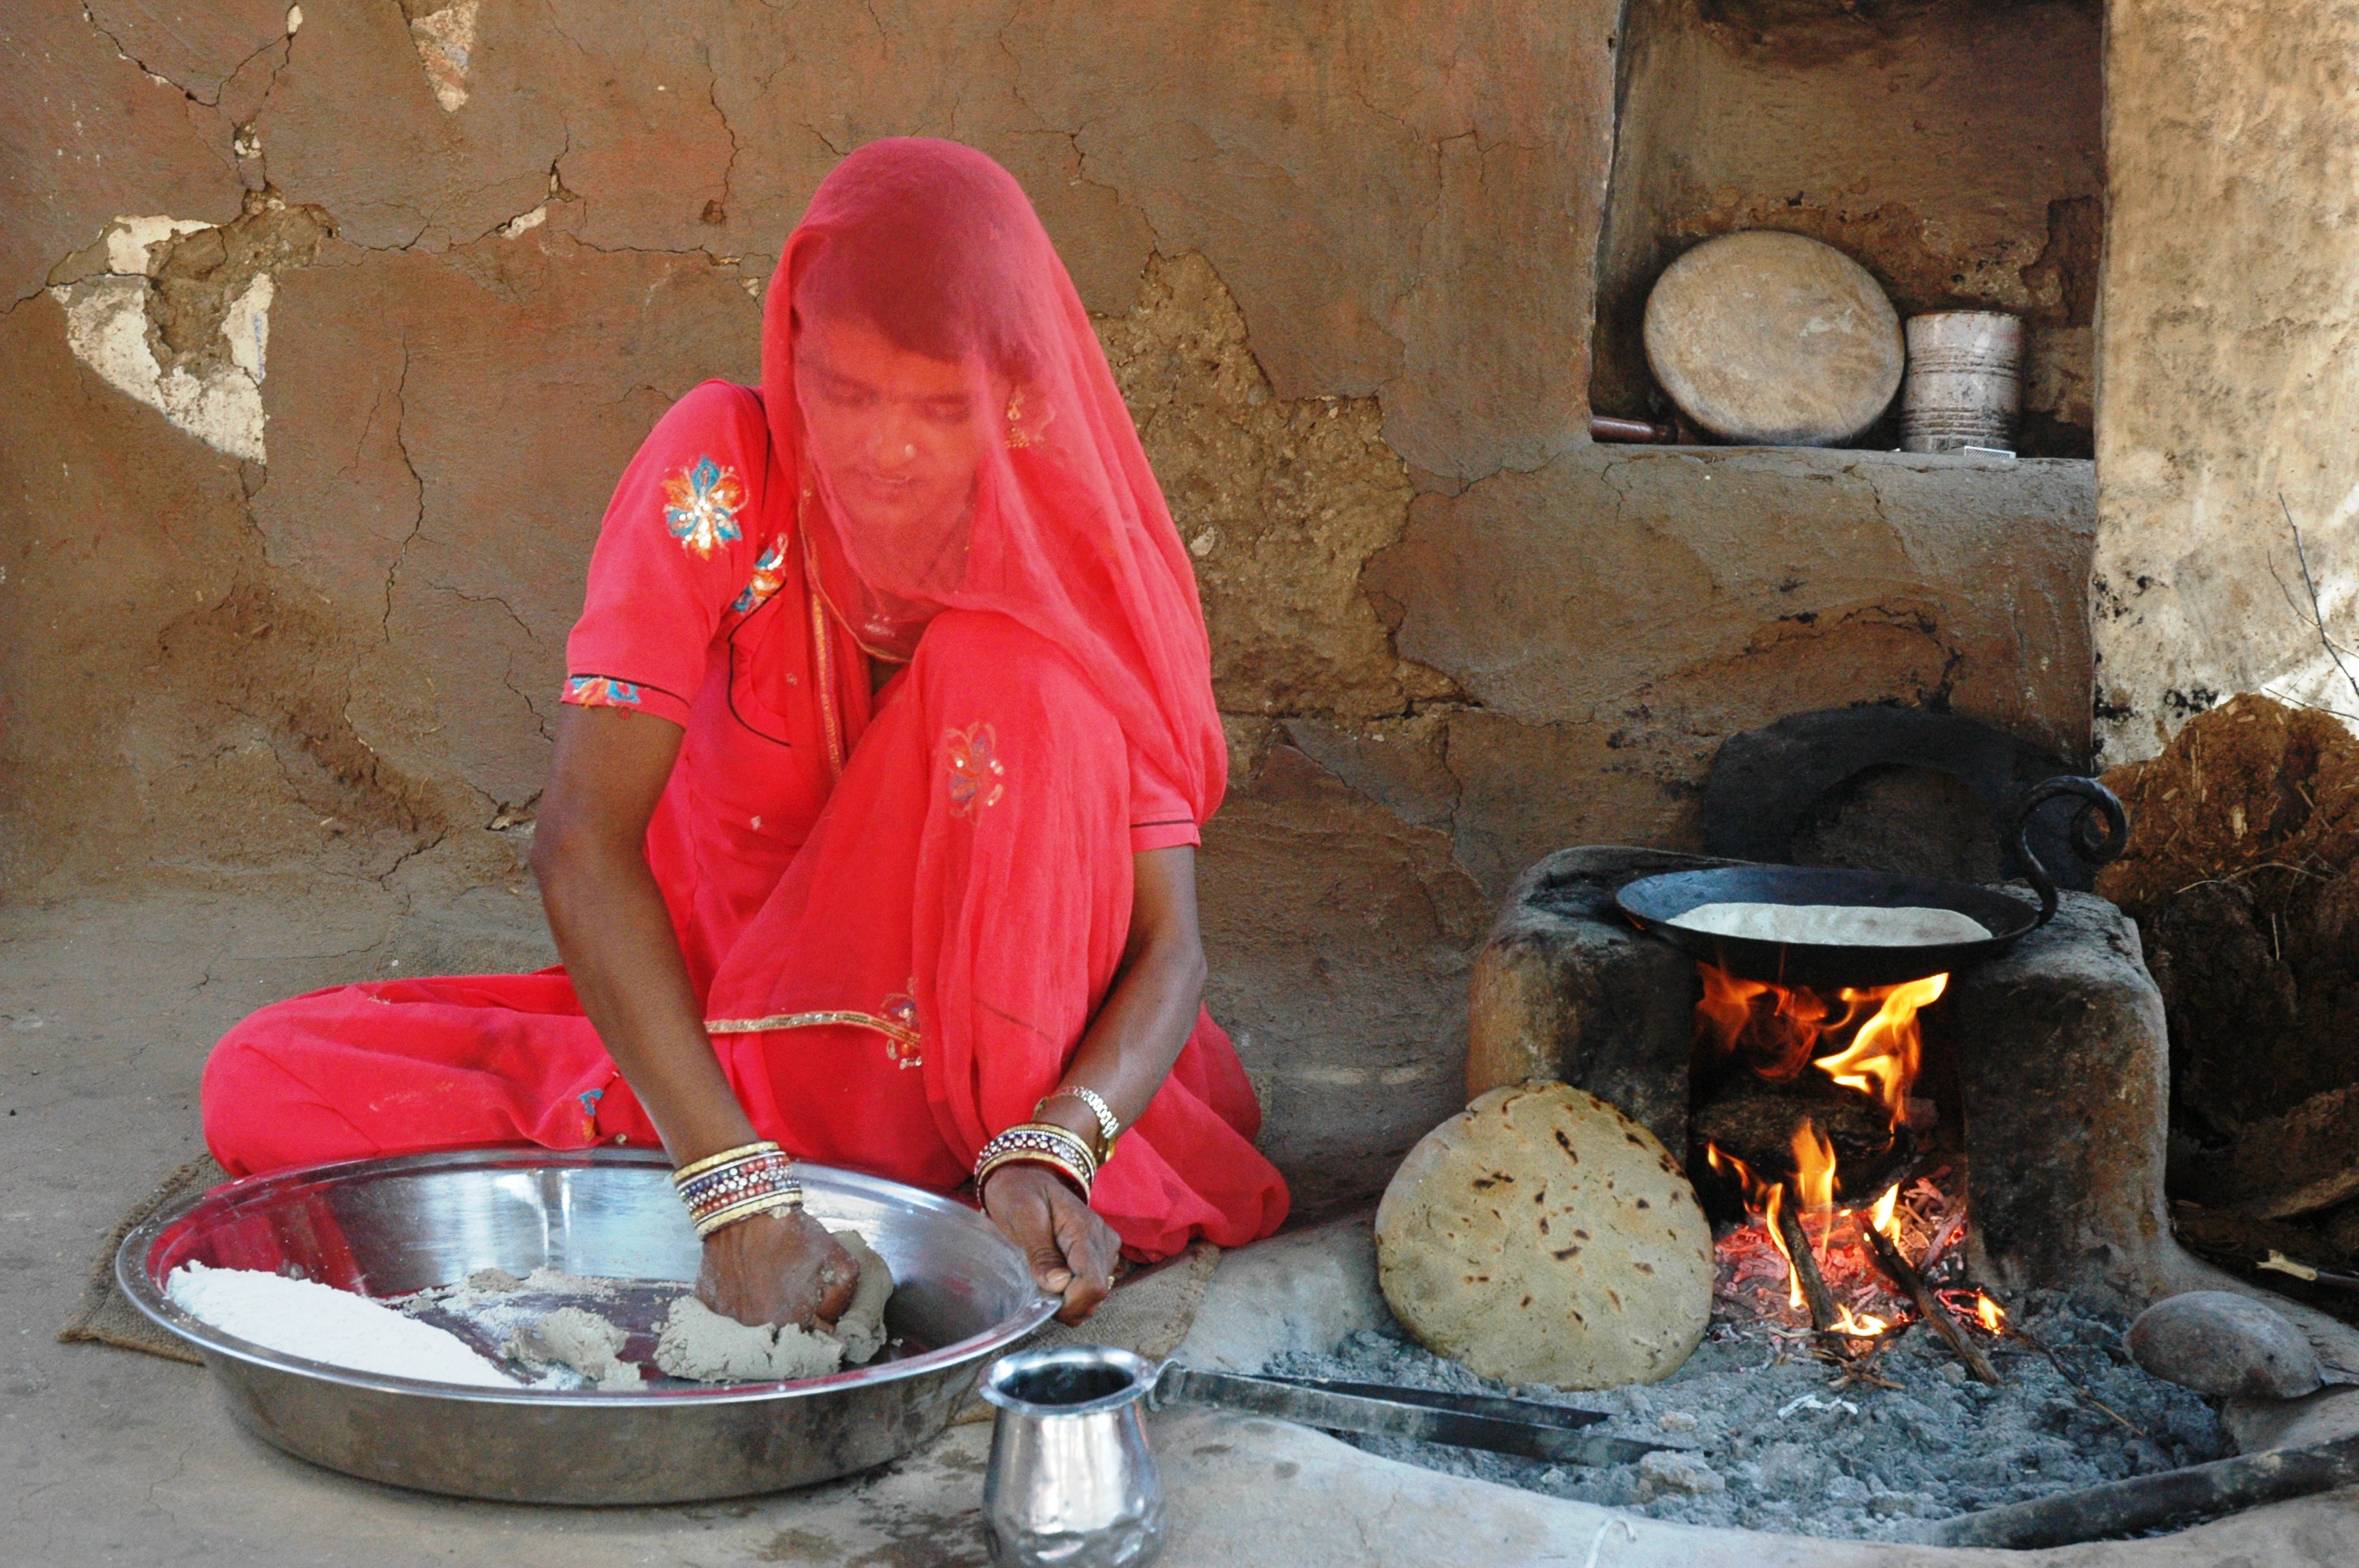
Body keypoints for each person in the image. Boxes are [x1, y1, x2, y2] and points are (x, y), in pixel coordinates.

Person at [201, 138, 1290, 1329]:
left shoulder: (1063, 556)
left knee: (1008, 664)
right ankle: (790, 1183)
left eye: (940, 407)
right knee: (260, 1075)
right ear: (791, 349)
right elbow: (581, 839)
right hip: (742, 1058)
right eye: (845, 391)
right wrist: (730, 1188)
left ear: (1016, 398)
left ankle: (918, 1183)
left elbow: (1170, 948)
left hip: (1002, 1087)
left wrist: (1058, 1145)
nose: (886, 446)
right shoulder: (728, 469)